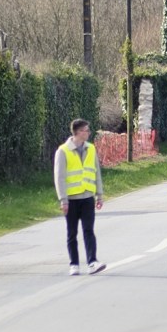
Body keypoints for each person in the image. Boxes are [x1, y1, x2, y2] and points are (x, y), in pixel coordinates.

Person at [54, 118, 105, 276]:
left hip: (87, 197)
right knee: (72, 233)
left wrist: (99, 194)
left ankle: (92, 262)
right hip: (71, 199)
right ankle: (74, 264)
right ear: (77, 132)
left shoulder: (91, 149)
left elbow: (96, 172)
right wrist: (63, 200)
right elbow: (59, 177)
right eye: (85, 130)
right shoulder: (63, 151)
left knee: (89, 230)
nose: (88, 133)